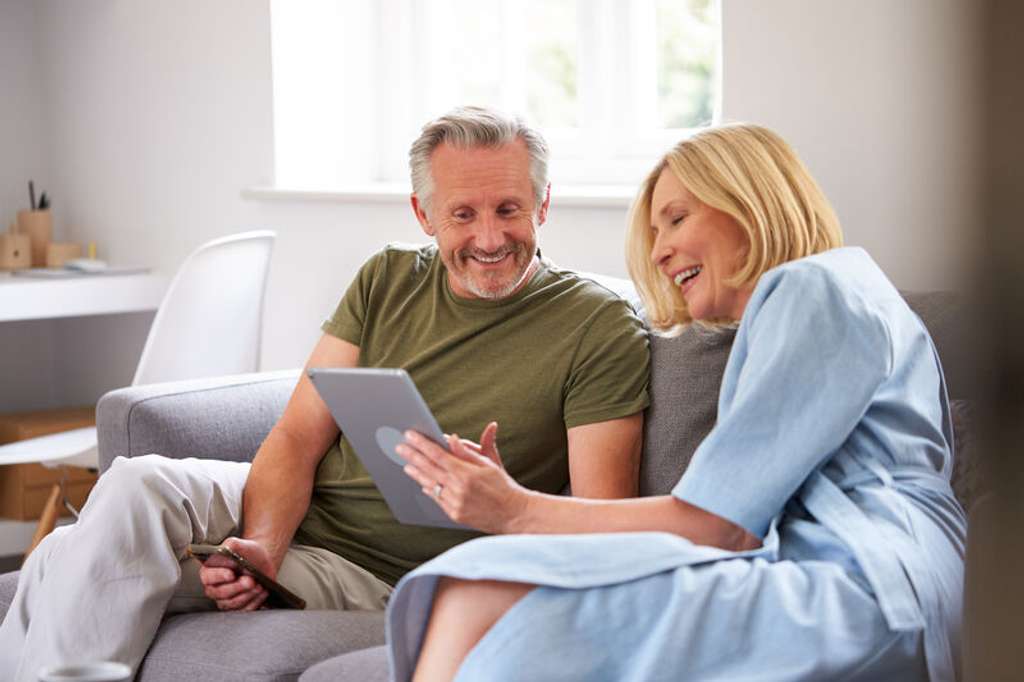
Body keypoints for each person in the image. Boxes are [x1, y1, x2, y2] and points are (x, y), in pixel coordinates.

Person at [0, 107, 650, 681]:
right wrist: (263, 549)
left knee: (62, 555)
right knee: (135, 483)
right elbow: (297, 436)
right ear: (423, 213)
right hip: (295, 513)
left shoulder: (598, 325)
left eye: (508, 209)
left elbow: (601, 521)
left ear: (543, 204)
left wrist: (508, 506)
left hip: (382, 570)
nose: (488, 238)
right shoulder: (387, 278)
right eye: (462, 214)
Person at [390, 123, 966, 681]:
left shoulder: (812, 289)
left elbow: (719, 526)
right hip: (880, 585)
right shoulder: (837, 293)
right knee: (478, 586)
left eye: (677, 218)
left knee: (476, 588)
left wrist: (514, 510)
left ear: (749, 202)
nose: (661, 252)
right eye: (656, 233)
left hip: (860, 589)